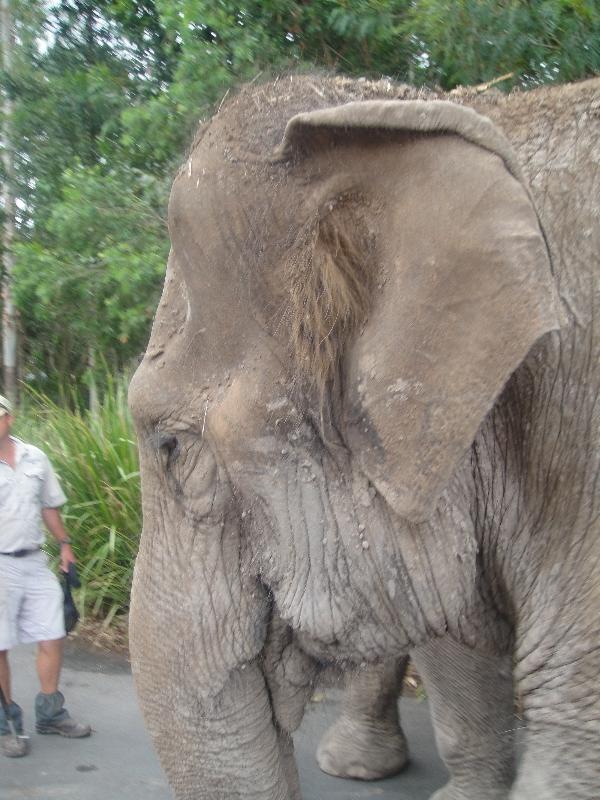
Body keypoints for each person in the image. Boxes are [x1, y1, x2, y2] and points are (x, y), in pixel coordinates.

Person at [0, 394, 91, 758]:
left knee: (53, 633)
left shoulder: (34, 457)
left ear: (8, 418)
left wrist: (65, 545)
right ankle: (8, 722)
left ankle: (50, 712)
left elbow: (49, 505)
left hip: (35, 561)